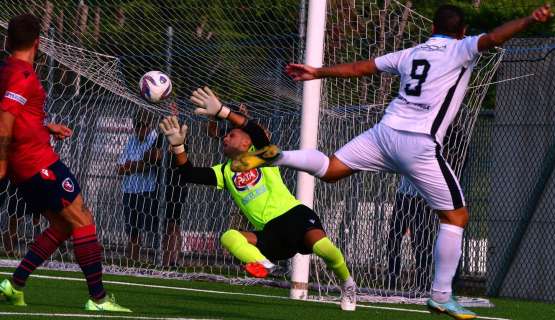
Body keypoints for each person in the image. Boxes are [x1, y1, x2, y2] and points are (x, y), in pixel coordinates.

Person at [231, 5, 553, 319]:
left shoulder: (410, 53)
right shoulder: (462, 49)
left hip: (383, 134)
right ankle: (441, 296)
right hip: (419, 144)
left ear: (431, 29)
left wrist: (317, 72)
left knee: (330, 169)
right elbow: (495, 37)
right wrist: (528, 19)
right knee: (455, 217)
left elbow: (359, 69)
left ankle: (281, 156)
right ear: (463, 32)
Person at [159, 87, 357, 311]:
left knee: (325, 249)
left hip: (295, 216)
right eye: (225, 134)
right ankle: (263, 264)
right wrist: (177, 145)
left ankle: (348, 284)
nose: (225, 136)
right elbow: (188, 174)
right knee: (230, 237)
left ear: (246, 144)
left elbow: (255, 130)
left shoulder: (262, 156)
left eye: (231, 134)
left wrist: (224, 112)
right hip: (270, 233)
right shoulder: (224, 171)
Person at [0, 14, 131, 312]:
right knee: (83, 219)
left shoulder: (7, 69)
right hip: (37, 162)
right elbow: (4, 119)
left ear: (8, 40)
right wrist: (2, 162)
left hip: (30, 161)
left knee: (62, 225)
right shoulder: (22, 75)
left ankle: (15, 283)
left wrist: (46, 127)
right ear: (38, 43)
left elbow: (16, 116)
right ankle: (98, 299)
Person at [117, 111, 162, 263]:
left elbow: (148, 165)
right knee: (132, 229)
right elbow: (119, 169)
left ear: (150, 125)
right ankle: (132, 260)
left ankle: (157, 261)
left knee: (153, 229)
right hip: (130, 190)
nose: (140, 129)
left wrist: (132, 166)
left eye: (143, 126)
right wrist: (136, 166)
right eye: (137, 126)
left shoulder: (157, 139)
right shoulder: (131, 140)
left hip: (149, 190)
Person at [386, 178, 436, 293]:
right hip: (403, 196)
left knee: (422, 243)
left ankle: (423, 283)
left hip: (424, 198)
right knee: (394, 238)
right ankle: (392, 280)